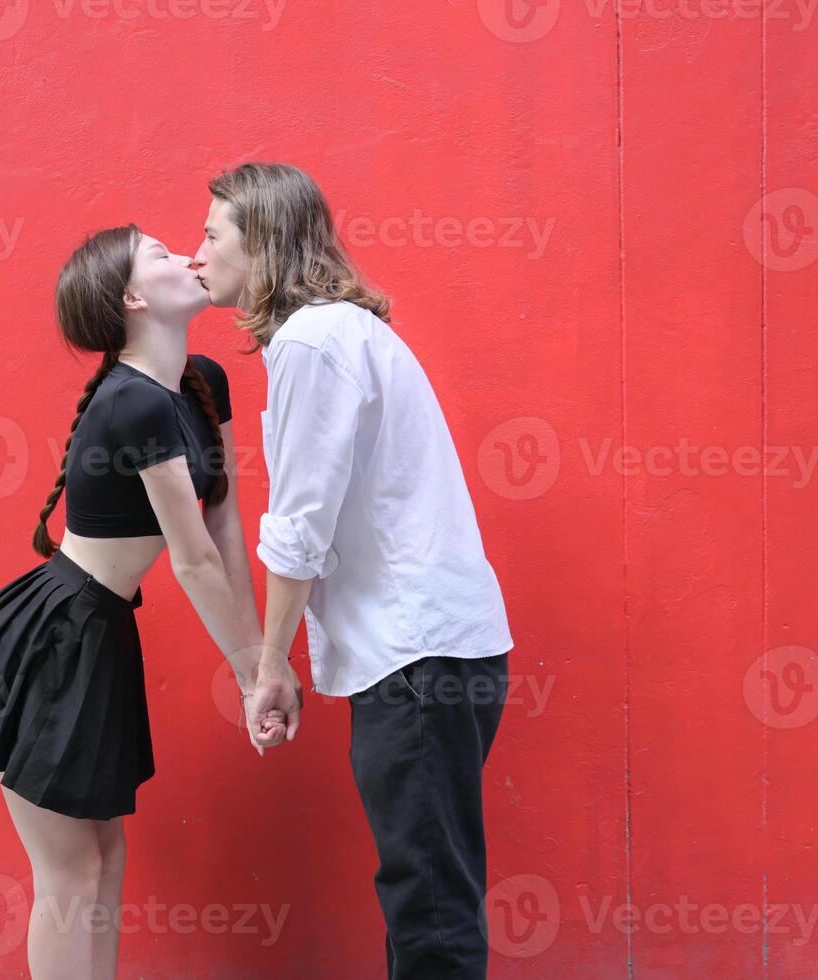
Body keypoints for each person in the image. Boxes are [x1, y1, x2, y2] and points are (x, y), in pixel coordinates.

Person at [0, 224, 283, 980]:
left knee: (106, 861)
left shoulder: (200, 380)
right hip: (54, 639)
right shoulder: (133, 405)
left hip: (100, 630)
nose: (186, 254)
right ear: (132, 297)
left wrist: (264, 661)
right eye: (159, 254)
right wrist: (256, 676)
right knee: (71, 876)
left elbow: (223, 529)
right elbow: (188, 561)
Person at [193, 162, 516, 979]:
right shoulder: (339, 332)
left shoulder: (310, 341)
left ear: (260, 242)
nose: (197, 253)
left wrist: (270, 668)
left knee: (429, 905)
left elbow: (301, 529)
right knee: (430, 890)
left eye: (211, 234)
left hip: (415, 660)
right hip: (436, 652)